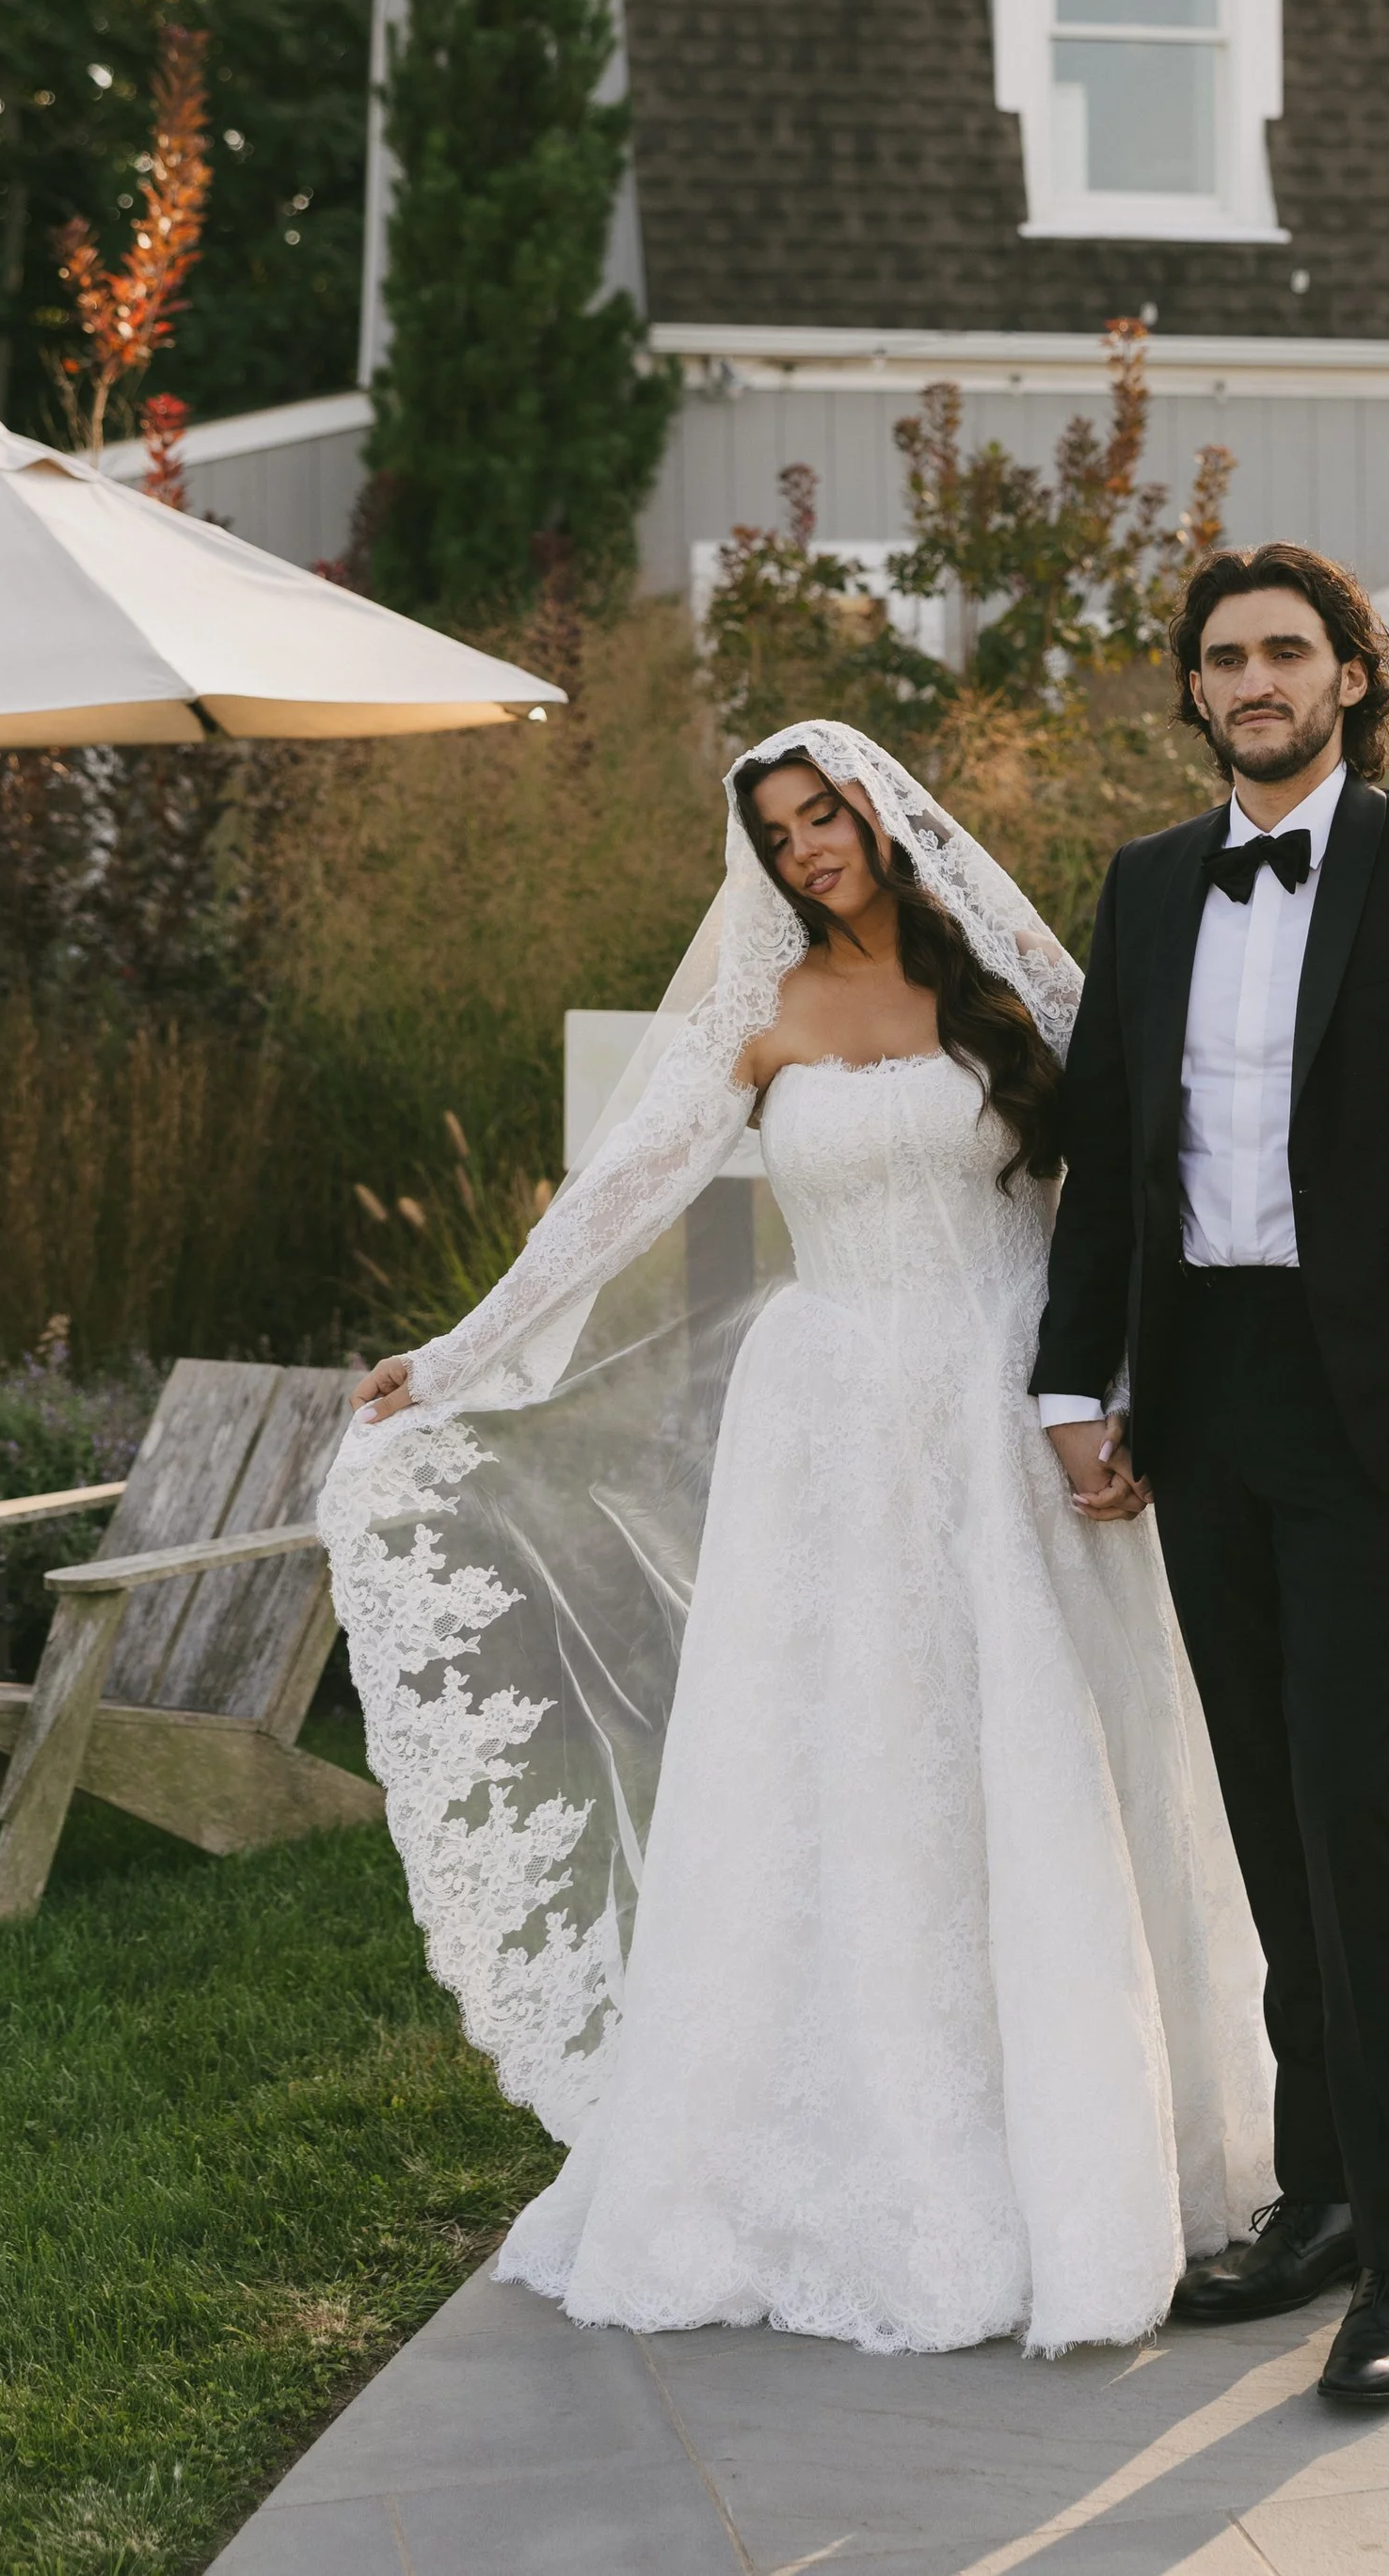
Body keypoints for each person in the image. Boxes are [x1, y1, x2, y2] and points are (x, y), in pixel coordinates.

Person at [322, 724, 1271, 2357]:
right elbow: (608, 1200)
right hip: (829, 1429)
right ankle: (859, 2121)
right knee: (850, 1763)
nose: (805, 849)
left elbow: (1103, 1206)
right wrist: (462, 1351)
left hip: (1006, 1413)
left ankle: (1097, 2110)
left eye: (823, 814)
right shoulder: (755, 1014)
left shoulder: (1013, 986)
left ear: (885, 811)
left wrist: (1114, 1398)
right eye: (776, 832)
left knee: (1038, 1752)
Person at [1034, 543, 1389, 2409]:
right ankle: (1318, 2192)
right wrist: (1072, 1385)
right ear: (1190, 691)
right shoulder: (1150, 882)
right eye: (1219, 656)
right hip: (1208, 1397)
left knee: (1357, 1811)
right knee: (1264, 1804)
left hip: (1377, 1412)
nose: (1250, 679)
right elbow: (1108, 1145)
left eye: (1283, 650)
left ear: (1348, 675)